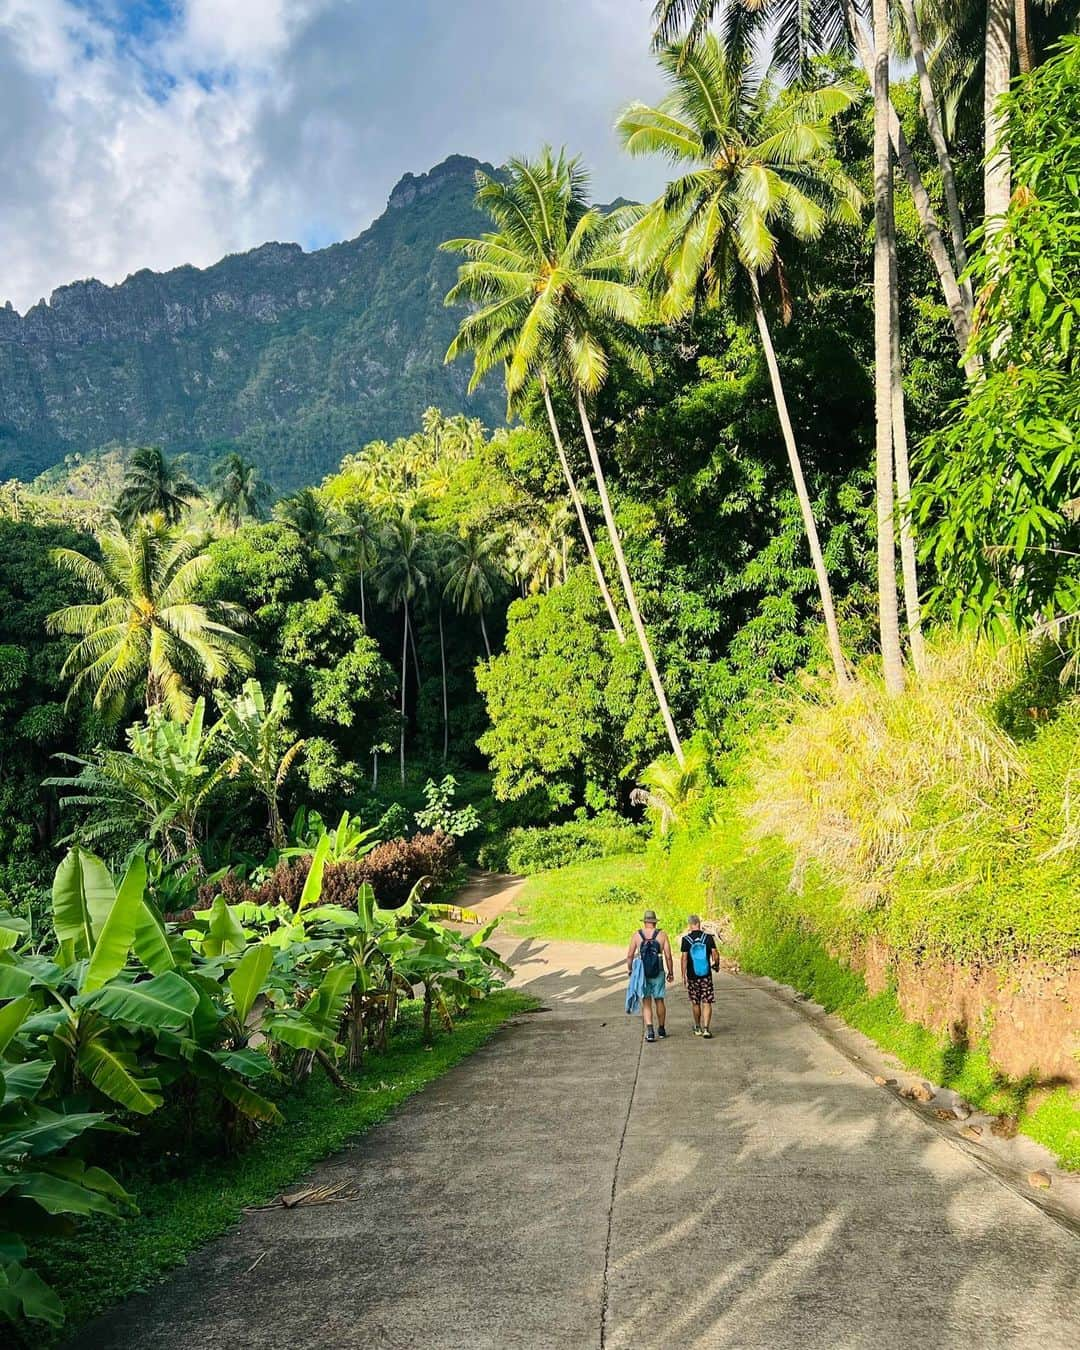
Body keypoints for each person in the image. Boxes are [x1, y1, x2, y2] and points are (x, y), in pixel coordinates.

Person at [626, 909, 674, 1043]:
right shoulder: (662, 935)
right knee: (659, 1000)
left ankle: (650, 1031)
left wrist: (630, 970)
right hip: (658, 971)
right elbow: (668, 956)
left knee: (646, 1001)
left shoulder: (637, 935)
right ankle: (662, 1029)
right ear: (654, 922)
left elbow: (630, 955)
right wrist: (670, 972)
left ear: (645, 921)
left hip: (643, 973)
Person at [680, 915, 719, 1038]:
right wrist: (716, 964)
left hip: (692, 976)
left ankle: (697, 1027)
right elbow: (715, 954)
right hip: (706, 975)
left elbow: (684, 958)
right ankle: (706, 1029)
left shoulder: (686, 939)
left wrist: (683, 975)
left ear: (690, 925)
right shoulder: (708, 938)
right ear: (699, 923)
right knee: (707, 1001)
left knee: (695, 1002)